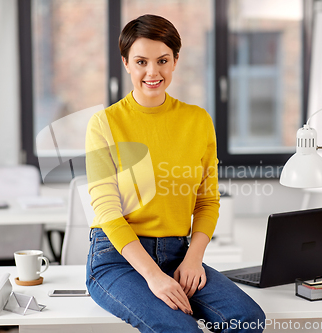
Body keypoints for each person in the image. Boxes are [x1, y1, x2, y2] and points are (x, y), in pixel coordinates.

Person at [85, 14, 265, 333]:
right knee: (181, 329)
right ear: (126, 63)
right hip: (118, 259)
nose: (152, 72)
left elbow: (207, 201)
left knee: (248, 320)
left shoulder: (197, 121)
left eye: (162, 60)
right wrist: (153, 276)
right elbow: (107, 212)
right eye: (141, 61)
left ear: (175, 61)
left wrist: (194, 258)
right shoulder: (104, 124)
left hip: (178, 254)